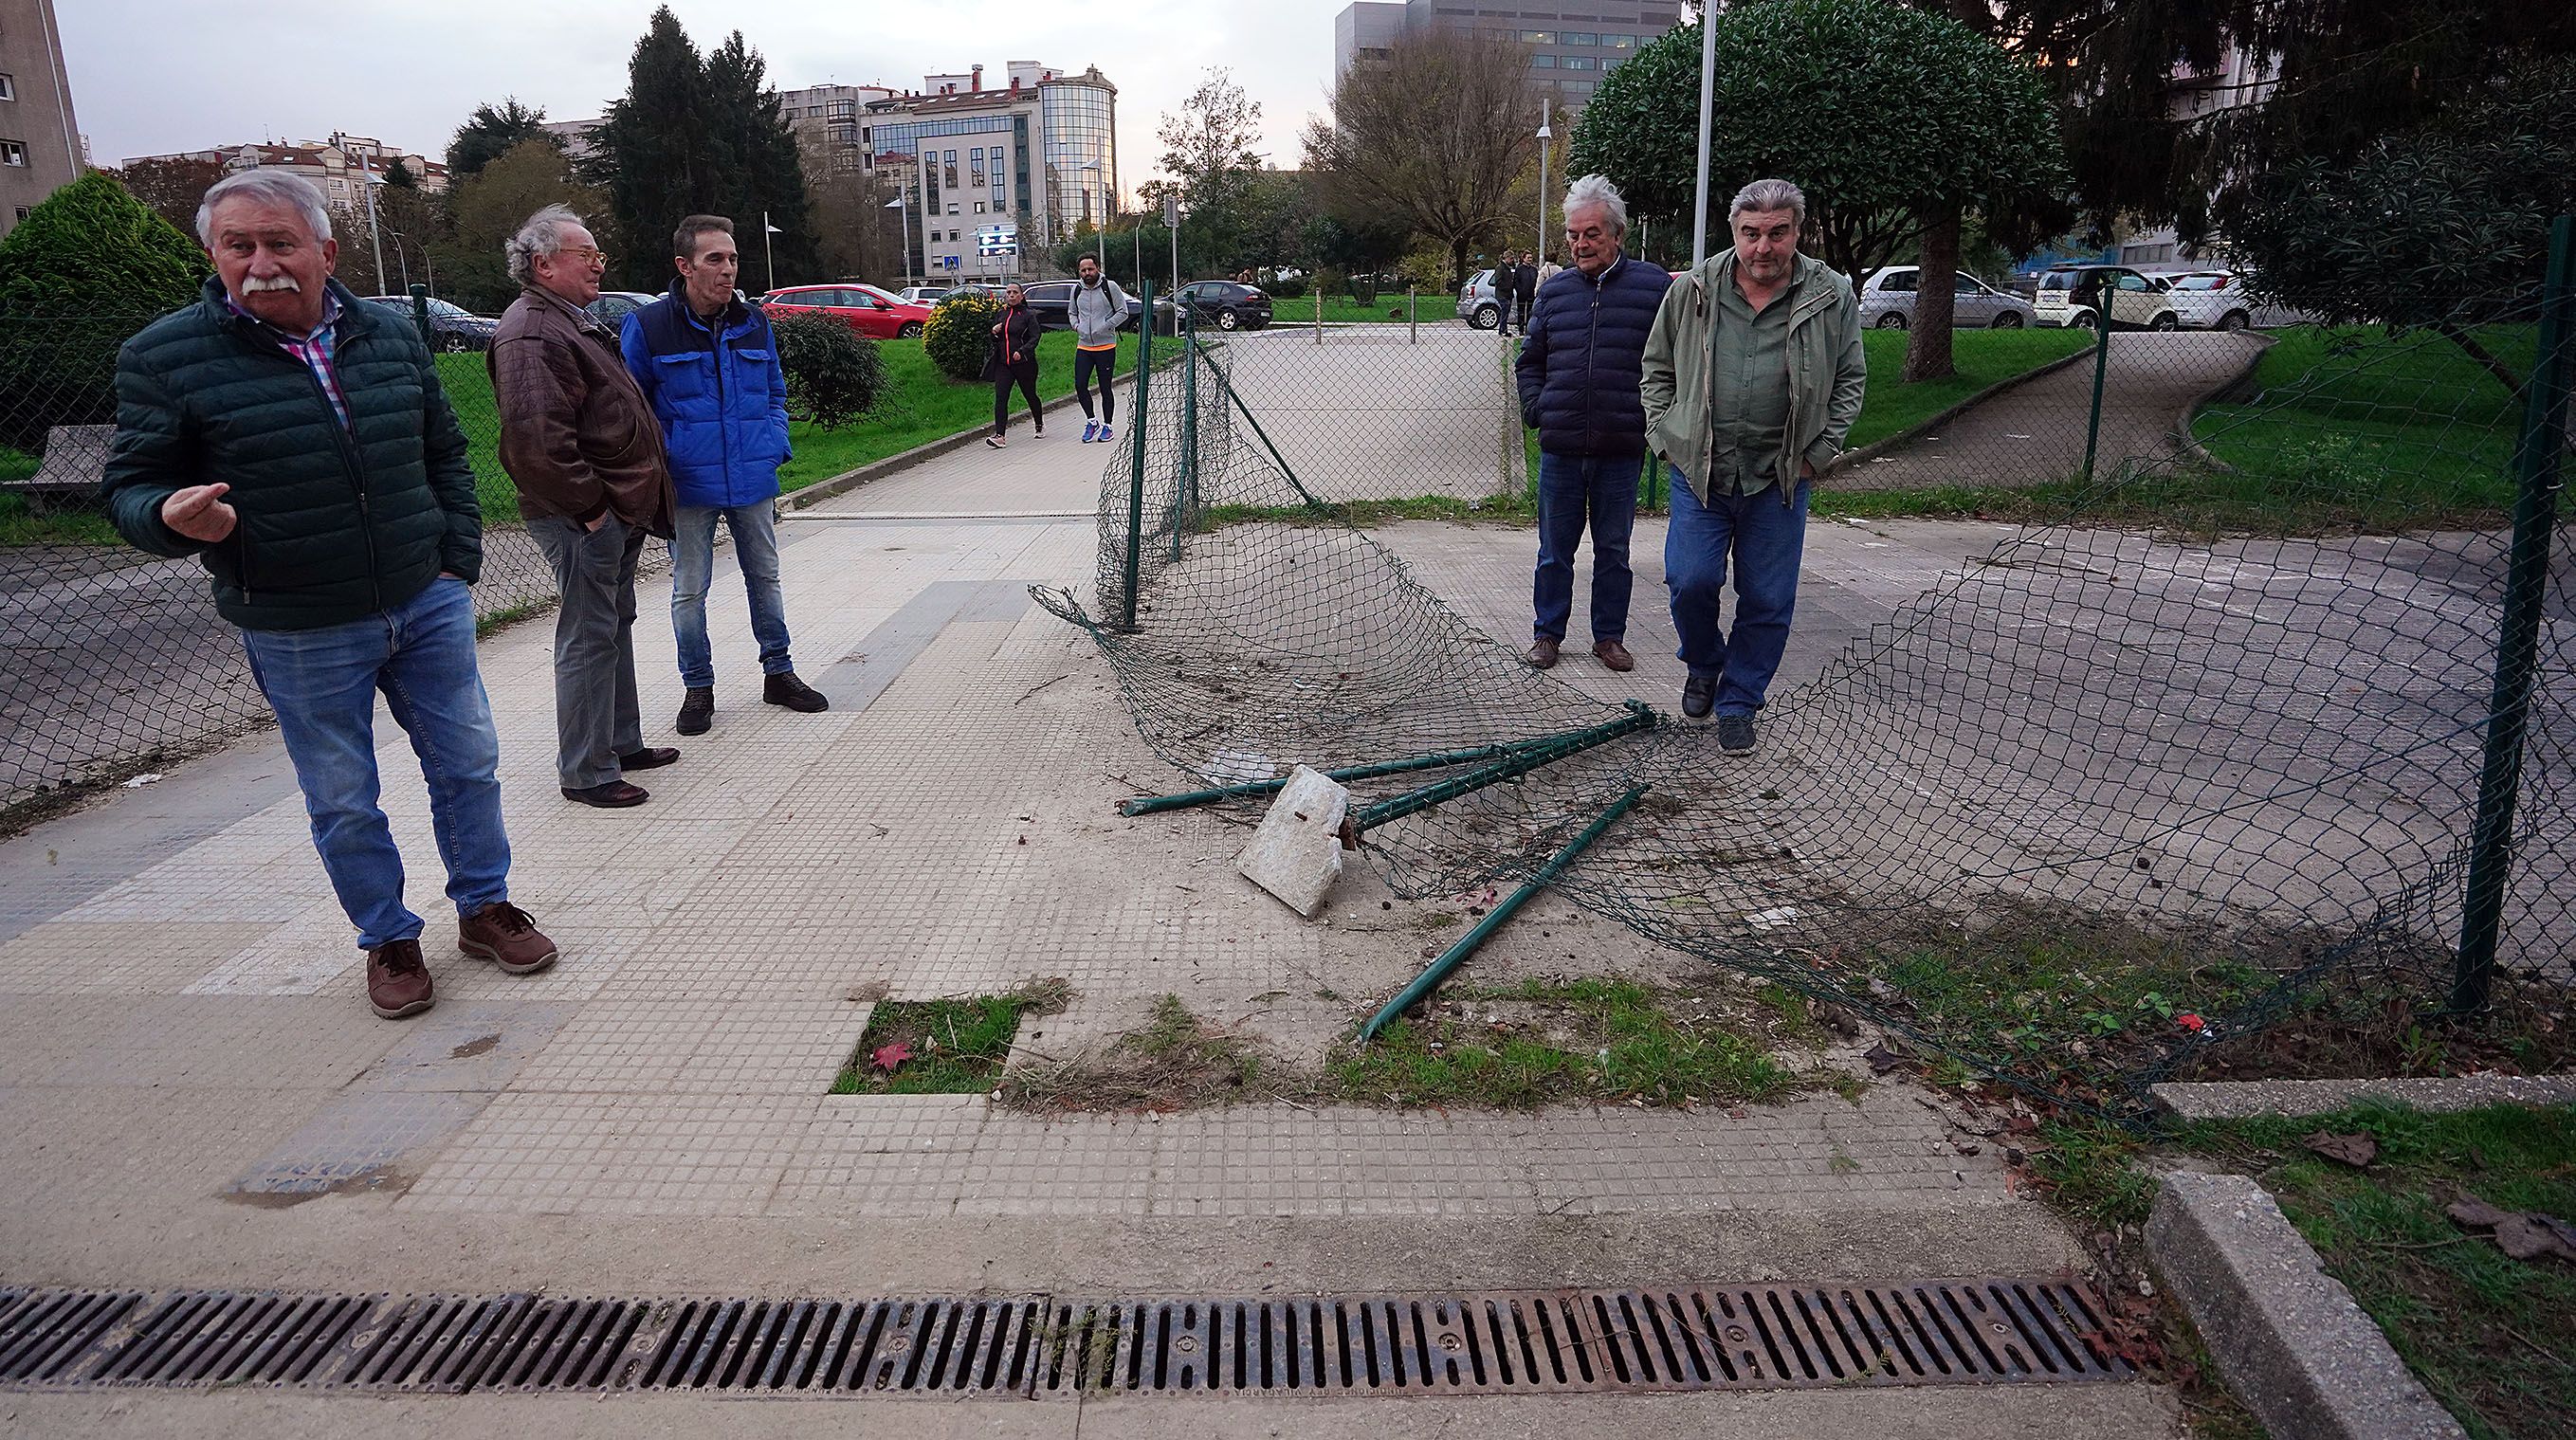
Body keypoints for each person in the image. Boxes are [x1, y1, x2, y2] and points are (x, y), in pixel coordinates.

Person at [103, 170, 557, 1021]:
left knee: (468, 763)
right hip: (299, 620)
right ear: (214, 253)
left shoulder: (387, 334)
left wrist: (455, 558)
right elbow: (132, 485)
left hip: (424, 600)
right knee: (343, 794)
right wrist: (168, 517)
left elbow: (446, 453)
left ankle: (484, 907)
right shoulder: (164, 355)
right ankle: (388, 938)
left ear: (326, 251)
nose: (261, 262)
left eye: (280, 242)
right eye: (239, 245)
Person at [1640, 178, 1866, 753]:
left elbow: (1849, 379)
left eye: (1777, 233)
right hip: (1702, 471)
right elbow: (1656, 367)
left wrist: (1822, 451)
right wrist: (1664, 433)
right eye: (1752, 234)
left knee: (1767, 597)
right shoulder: (1693, 290)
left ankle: (1740, 699)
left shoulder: (1830, 295)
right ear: (1734, 232)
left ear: (1797, 233)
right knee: (1690, 580)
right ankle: (1703, 663)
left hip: (1781, 476)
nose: (1763, 247)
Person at [490, 204, 680, 807]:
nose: (601, 264)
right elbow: (536, 442)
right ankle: (587, 772)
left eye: (600, 254)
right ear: (544, 265)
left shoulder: (568, 320)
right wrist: (592, 510)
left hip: (613, 508)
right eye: (587, 255)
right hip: (583, 515)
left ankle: (620, 744)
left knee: (611, 626)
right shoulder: (532, 331)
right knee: (587, 635)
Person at [620, 214, 831, 738]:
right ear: (684, 266)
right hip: (688, 484)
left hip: (752, 479)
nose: (728, 268)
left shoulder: (754, 321)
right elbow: (632, 408)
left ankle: (778, 674)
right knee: (690, 591)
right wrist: (667, 458)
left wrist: (773, 443)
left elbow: (776, 390)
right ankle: (698, 689)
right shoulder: (649, 327)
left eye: (733, 258)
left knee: (766, 577)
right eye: (715, 259)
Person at [1514, 175, 1671, 675]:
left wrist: (1653, 419)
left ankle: (1610, 637)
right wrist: (1537, 409)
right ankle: (1547, 634)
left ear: (1617, 235)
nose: (1581, 244)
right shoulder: (1554, 291)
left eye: (1592, 234)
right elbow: (1530, 360)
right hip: (1561, 446)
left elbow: (1675, 361)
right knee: (1554, 551)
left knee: (1614, 551)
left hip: (1621, 445)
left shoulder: (1652, 287)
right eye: (1574, 235)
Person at [1068, 253, 1131, 445]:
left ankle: (1108, 426)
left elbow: (1123, 312)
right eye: (1083, 270)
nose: (1087, 273)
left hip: (1106, 345)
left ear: (1098, 268)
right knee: (1080, 385)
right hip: (1084, 345)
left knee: (1105, 387)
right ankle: (1091, 421)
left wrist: (1106, 326)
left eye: (1090, 269)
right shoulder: (1076, 289)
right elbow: (1072, 312)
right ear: (1079, 271)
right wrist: (1076, 326)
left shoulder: (1109, 287)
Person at [985, 283, 1043, 447]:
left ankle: (1039, 424)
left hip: (1024, 363)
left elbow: (1035, 337)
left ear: (1022, 296)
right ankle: (1000, 435)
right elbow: (995, 340)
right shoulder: (1001, 314)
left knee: (1030, 395)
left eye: (1015, 292)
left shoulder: (1028, 315)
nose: (1011, 295)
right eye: (1009, 292)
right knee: (1001, 397)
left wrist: (1023, 351)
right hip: (1004, 364)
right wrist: (994, 333)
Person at [1493, 251, 1524, 337]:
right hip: (1502, 294)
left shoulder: (1507, 268)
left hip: (1508, 294)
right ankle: (1503, 329)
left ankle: (1502, 329)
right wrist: (1507, 287)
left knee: (1506, 312)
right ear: (1506, 258)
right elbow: (1498, 281)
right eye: (1511, 258)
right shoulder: (1500, 268)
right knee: (1505, 311)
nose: (1512, 260)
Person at [1510, 252, 1540, 340]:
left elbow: (1536, 281)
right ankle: (1520, 329)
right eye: (1528, 258)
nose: (1530, 259)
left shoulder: (1534, 269)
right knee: (1521, 312)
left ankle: (1528, 329)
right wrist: (1520, 290)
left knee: (1530, 312)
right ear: (1523, 258)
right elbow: (1516, 281)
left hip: (1531, 294)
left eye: (1531, 258)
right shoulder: (1519, 269)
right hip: (1522, 294)